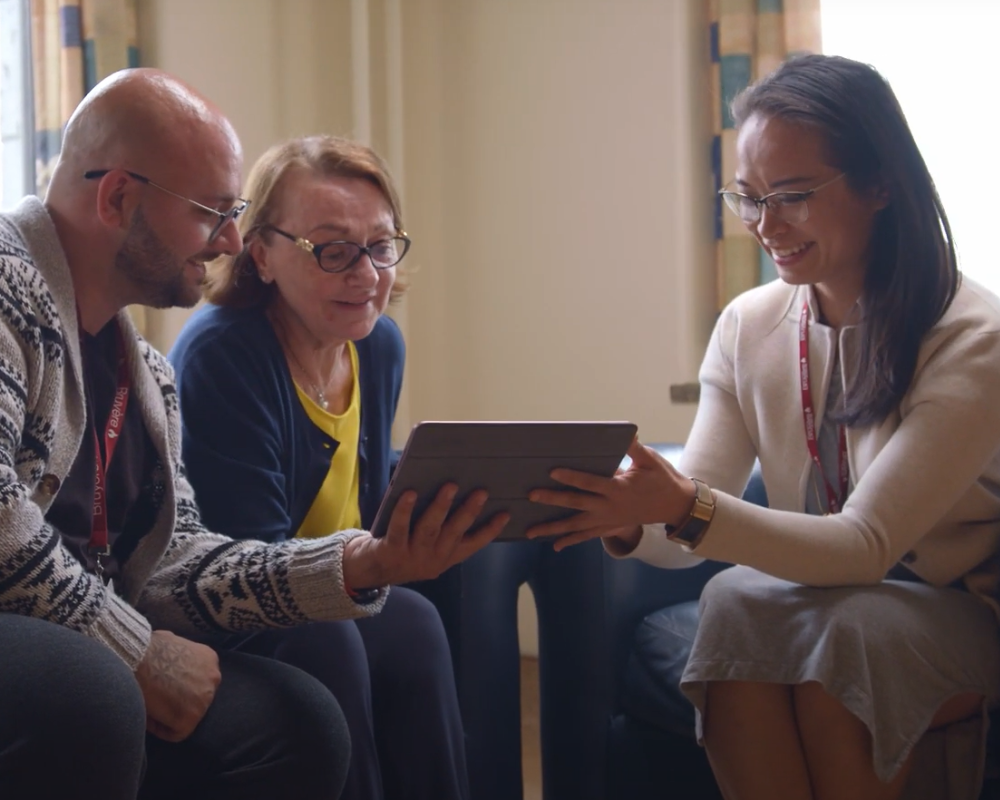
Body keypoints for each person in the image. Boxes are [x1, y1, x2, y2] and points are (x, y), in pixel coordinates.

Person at [0, 68, 508, 800]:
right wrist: (134, 653)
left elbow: (171, 564)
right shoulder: (10, 284)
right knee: (91, 693)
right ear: (117, 197)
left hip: (81, 645)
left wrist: (360, 565)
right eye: (212, 210)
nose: (232, 238)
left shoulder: (144, 373)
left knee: (299, 720)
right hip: (53, 654)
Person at [526, 54, 1000, 800]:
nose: (764, 226)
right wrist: (627, 516)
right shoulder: (751, 324)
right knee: (735, 599)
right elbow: (693, 512)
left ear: (880, 184)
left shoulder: (973, 339)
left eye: (793, 196)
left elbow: (866, 546)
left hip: (960, 609)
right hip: (832, 600)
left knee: (844, 637)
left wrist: (682, 507)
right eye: (747, 197)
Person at [167, 134, 469, 800]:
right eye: (333, 249)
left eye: (382, 245)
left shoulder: (378, 343)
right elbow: (235, 560)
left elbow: (364, 502)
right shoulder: (224, 355)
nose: (365, 274)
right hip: (232, 597)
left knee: (414, 625)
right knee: (330, 637)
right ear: (262, 256)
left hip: (333, 588)